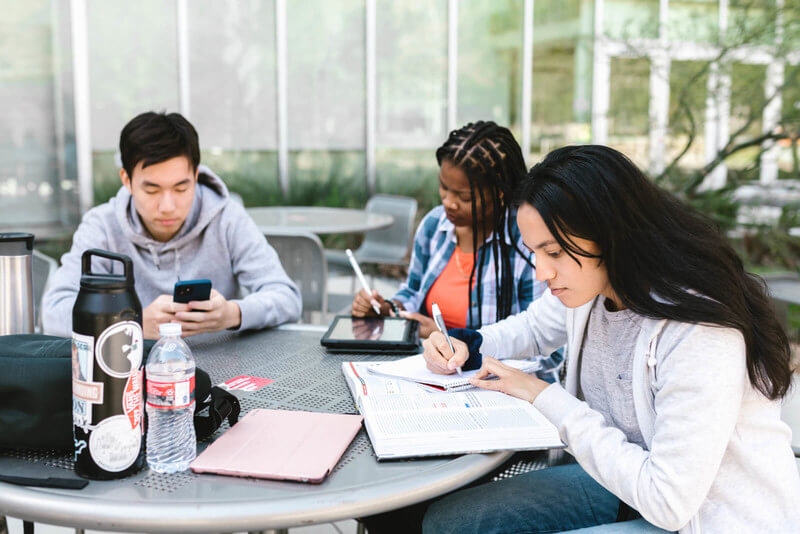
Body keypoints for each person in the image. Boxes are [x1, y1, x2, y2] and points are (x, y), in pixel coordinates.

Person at [420, 145, 800, 533]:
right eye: (534, 251)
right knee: (449, 522)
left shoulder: (697, 331)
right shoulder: (594, 286)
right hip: (626, 483)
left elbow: (668, 502)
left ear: (609, 234)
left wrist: (545, 397)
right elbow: (532, 329)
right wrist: (467, 344)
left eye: (553, 252)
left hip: (705, 519)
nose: (541, 272)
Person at [43, 111, 301, 339]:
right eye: (152, 189)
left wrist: (233, 314)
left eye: (181, 188)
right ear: (127, 179)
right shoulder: (102, 227)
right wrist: (132, 324)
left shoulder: (227, 218)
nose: (167, 206)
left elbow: (287, 297)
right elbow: (54, 312)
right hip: (131, 375)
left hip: (222, 371)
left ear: (196, 176)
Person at [351, 121, 562, 378]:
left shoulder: (526, 241)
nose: (449, 203)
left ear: (500, 193)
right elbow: (413, 291)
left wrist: (447, 338)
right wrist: (388, 309)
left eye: (464, 198)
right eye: (443, 188)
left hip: (499, 386)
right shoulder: (434, 226)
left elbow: (544, 343)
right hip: (429, 373)